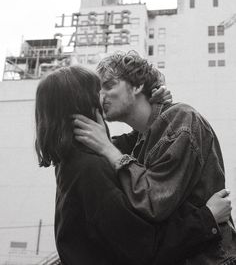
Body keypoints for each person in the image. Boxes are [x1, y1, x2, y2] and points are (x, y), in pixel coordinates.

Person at [34, 65, 232, 265]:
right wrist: (208, 219)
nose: (101, 97)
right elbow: (143, 247)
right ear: (83, 101)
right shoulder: (90, 167)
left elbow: (134, 142)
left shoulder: (73, 160)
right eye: (96, 90)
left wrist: (154, 111)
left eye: (108, 86)